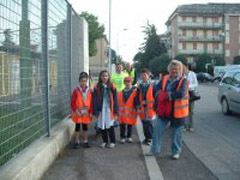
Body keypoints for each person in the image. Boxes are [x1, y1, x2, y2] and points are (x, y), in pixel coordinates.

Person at [146, 60, 189, 160]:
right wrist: (159, 95)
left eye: (177, 68)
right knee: (157, 129)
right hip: (164, 110)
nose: (174, 70)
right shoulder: (164, 78)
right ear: (169, 69)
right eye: (172, 68)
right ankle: (154, 150)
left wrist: (166, 95)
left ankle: (176, 152)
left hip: (178, 112)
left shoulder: (183, 81)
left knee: (176, 134)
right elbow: (155, 89)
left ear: (180, 70)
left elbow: (181, 94)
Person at [93, 70, 118, 149]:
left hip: (109, 109)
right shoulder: (97, 87)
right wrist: (95, 110)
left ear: (108, 77)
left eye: (106, 76)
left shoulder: (112, 86)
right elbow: (94, 99)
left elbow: (115, 99)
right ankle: (105, 141)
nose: (104, 77)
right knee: (102, 125)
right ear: (100, 77)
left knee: (110, 125)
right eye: (103, 76)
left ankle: (113, 141)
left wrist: (116, 111)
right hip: (101, 109)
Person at [71, 72, 93, 149]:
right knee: (77, 127)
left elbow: (92, 101)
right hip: (78, 112)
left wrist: (91, 111)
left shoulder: (90, 90)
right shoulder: (76, 91)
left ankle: (85, 141)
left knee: (85, 127)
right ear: (79, 81)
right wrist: (76, 111)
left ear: (86, 81)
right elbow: (73, 102)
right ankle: (77, 141)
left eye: (85, 81)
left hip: (86, 112)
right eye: (82, 81)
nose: (83, 83)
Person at [137, 68, 156, 145]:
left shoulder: (152, 85)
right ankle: (146, 138)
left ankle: (150, 138)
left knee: (149, 124)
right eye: (142, 75)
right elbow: (136, 97)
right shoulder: (139, 86)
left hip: (150, 108)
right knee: (144, 123)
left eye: (145, 75)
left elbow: (156, 96)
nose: (143, 76)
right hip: (142, 108)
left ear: (148, 76)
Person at [118, 76, 139, 143]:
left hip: (130, 111)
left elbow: (137, 100)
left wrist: (136, 108)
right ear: (124, 83)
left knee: (130, 124)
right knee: (122, 125)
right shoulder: (121, 92)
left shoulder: (135, 91)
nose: (127, 83)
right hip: (123, 112)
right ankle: (122, 137)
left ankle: (129, 137)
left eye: (129, 82)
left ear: (131, 83)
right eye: (126, 82)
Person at [182, 62, 198, 132]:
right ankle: (185, 126)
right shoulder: (181, 75)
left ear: (187, 67)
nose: (182, 68)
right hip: (184, 94)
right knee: (184, 110)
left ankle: (191, 126)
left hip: (191, 93)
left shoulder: (192, 74)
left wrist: (188, 87)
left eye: (183, 67)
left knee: (191, 111)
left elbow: (196, 84)